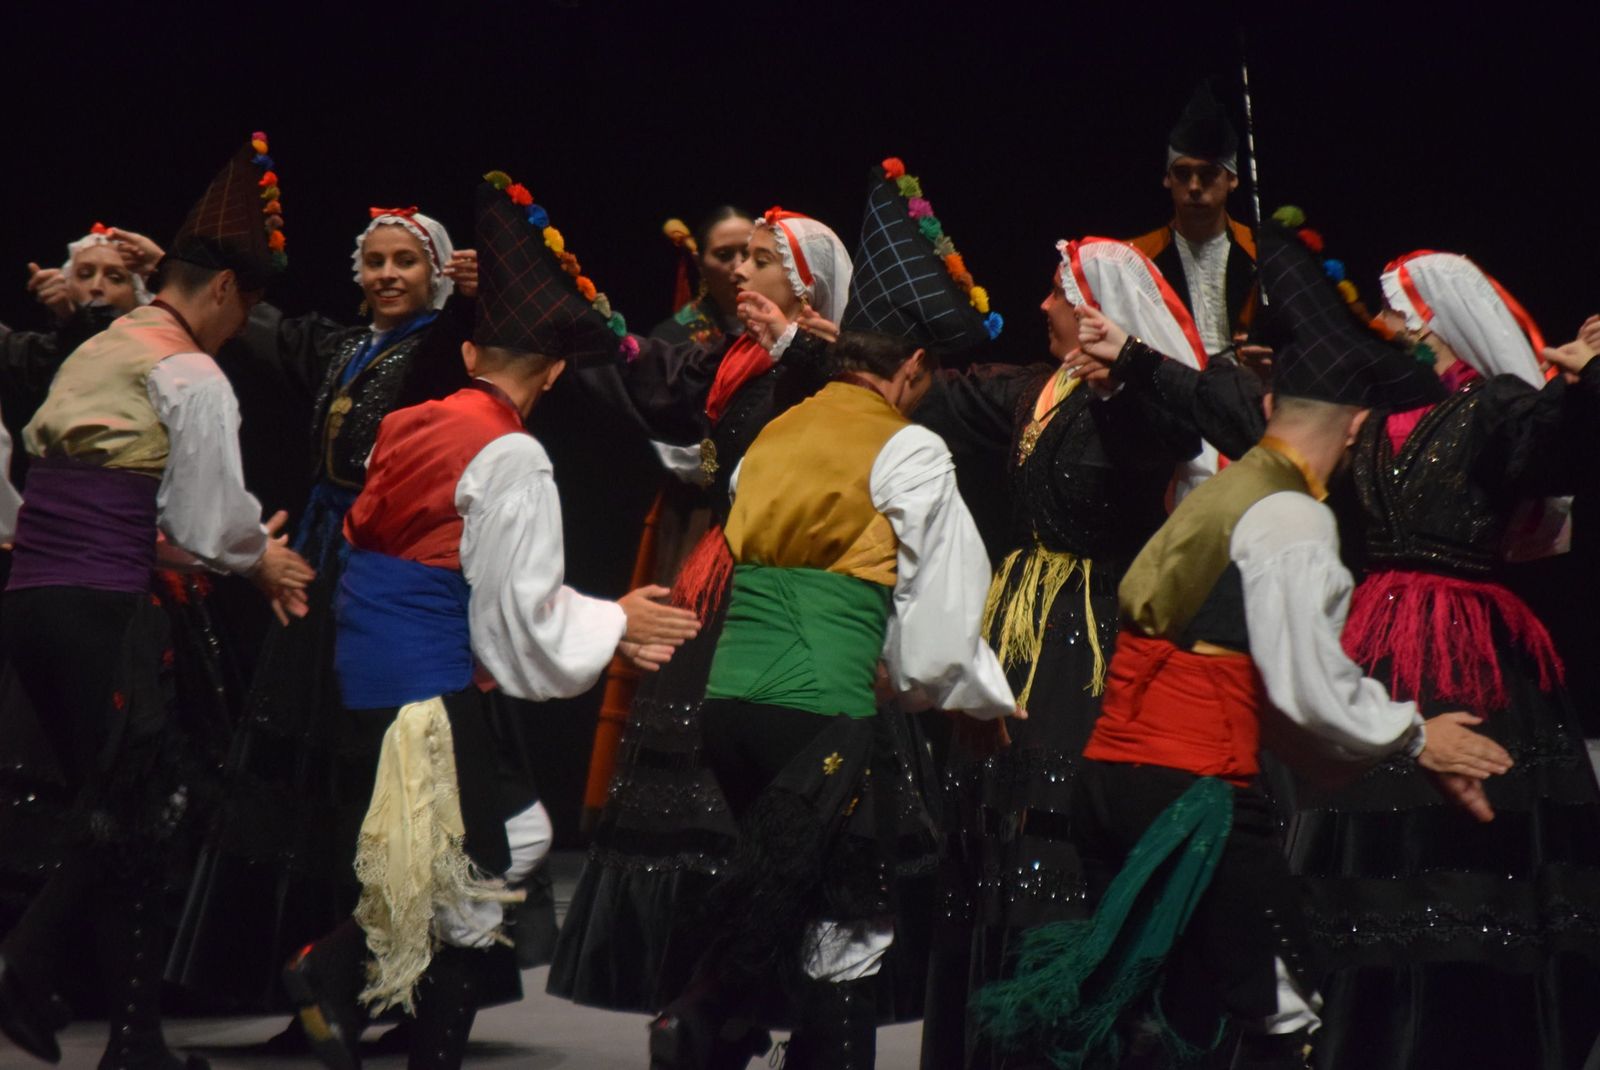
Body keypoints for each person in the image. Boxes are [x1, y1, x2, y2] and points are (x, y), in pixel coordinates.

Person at [972, 225, 1514, 1070]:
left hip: (1114, 784)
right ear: (1356, 421)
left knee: (1165, 1000)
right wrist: (1418, 734)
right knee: (1286, 1004)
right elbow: (1308, 685)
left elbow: (1254, 682)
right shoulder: (1292, 516)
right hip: (1190, 799)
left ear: (1268, 410)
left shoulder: (1224, 491)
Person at [282, 171, 700, 1070]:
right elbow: (522, 617)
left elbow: (380, 540)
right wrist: (619, 618)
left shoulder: (415, 420)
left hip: (364, 668)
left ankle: (343, 973)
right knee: (487, 859)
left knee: (503, 844)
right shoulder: (511, 454)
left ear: (470, 357)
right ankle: (340, 971)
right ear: (553, 371)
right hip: (424, 682)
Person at [0, 133, 314, 1070]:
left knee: (124, 805)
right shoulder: (189, 370)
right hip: (101, 600)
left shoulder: (108, 342)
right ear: (222, 292)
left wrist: (237, 553)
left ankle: (135, 1038)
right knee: (150, 796)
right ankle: (22, 964)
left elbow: (104, 496)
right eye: (241, 310)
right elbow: (211, 522)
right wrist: (263, 559)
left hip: (34, 600)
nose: (235, 329)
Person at [651, 327, 1019, 1070]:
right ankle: (699, 1018)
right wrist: (959, 697)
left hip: (728, 707)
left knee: (784, 890)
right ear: (912, 369)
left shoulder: (774, 436)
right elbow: (941, 610)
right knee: (851, 924)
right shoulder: (909, 449)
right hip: (821, 711)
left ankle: (708, 1023)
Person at [1286, 251, 1600, 1069]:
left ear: (1436, 321)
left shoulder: (1493, 406)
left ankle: (1464, 1031)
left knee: (1454, 848)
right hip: (1375, 633)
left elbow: (1556, 448)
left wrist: (1586, 381)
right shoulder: (1377, 415)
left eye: (1396, 312)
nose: (1384, 326)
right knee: (1365, 841)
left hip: (1461, 643)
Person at [169, 203, 481, 1013]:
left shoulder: (444, 352)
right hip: (321, 552)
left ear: (437, 272)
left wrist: (483, 295)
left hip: (389, 564)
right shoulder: (346, 347)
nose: (385, 275)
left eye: (404, 261)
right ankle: (307, 981)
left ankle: (388, 986)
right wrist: (164, 275)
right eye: (374, 261)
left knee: (368, 768)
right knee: (301, 775)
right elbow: (261, 323)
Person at [914, 234, 1205, 1070]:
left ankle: (1061, 1031)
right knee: (986, 810)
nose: (1041, 305)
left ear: (1094, 311)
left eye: (1056, 292)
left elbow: (1169, 441)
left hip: (1090, 629)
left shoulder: (1137, 413)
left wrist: (1124, 381)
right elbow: (934, 393)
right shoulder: (1031, 387)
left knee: (1060, 813)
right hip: (1017, 618)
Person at [548, 207, 849, 1015]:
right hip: (718, 571)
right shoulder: (736, 357)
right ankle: (691, 970)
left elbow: (838, 436)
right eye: (739, 257)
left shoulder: (829, 358)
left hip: (777, 583)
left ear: (803, 280)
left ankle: (758, 967)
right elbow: (653, 375)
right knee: (681, 765)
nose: (740, 272)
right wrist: (574, 309)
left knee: (746, 779)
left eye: (759, 259)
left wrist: (796, 346)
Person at [579, 206, 754, 830]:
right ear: (698, 262)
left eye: (749, 253)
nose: (738, 268)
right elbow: (659, 432)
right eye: (723, 255)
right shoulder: (677, 337)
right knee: (686, 650)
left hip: (766, 519)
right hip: (701, 516)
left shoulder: (786, 330)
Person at [1130, 81, 1259, 364]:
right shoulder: (1137, 258)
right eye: (1183, 174)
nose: (1195, 186)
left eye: (1208, 174)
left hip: (1247, 393)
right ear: (1167, 178)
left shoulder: (1261, 251)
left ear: (1232, 179)